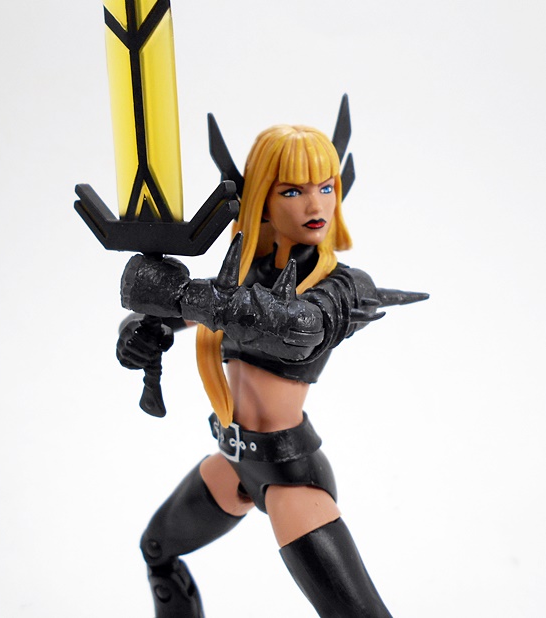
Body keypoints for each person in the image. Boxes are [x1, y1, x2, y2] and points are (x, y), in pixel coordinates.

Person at [117, 123, 426, 617]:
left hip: (290, 476)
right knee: (158, 550)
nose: (315, 205)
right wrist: (137, 333)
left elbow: (297, 327)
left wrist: (176, 294)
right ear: (261, 197)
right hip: (232, 460)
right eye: (293, 191)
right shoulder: (241, 274)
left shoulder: (344, 286)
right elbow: (166, 316)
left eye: (326, 187)